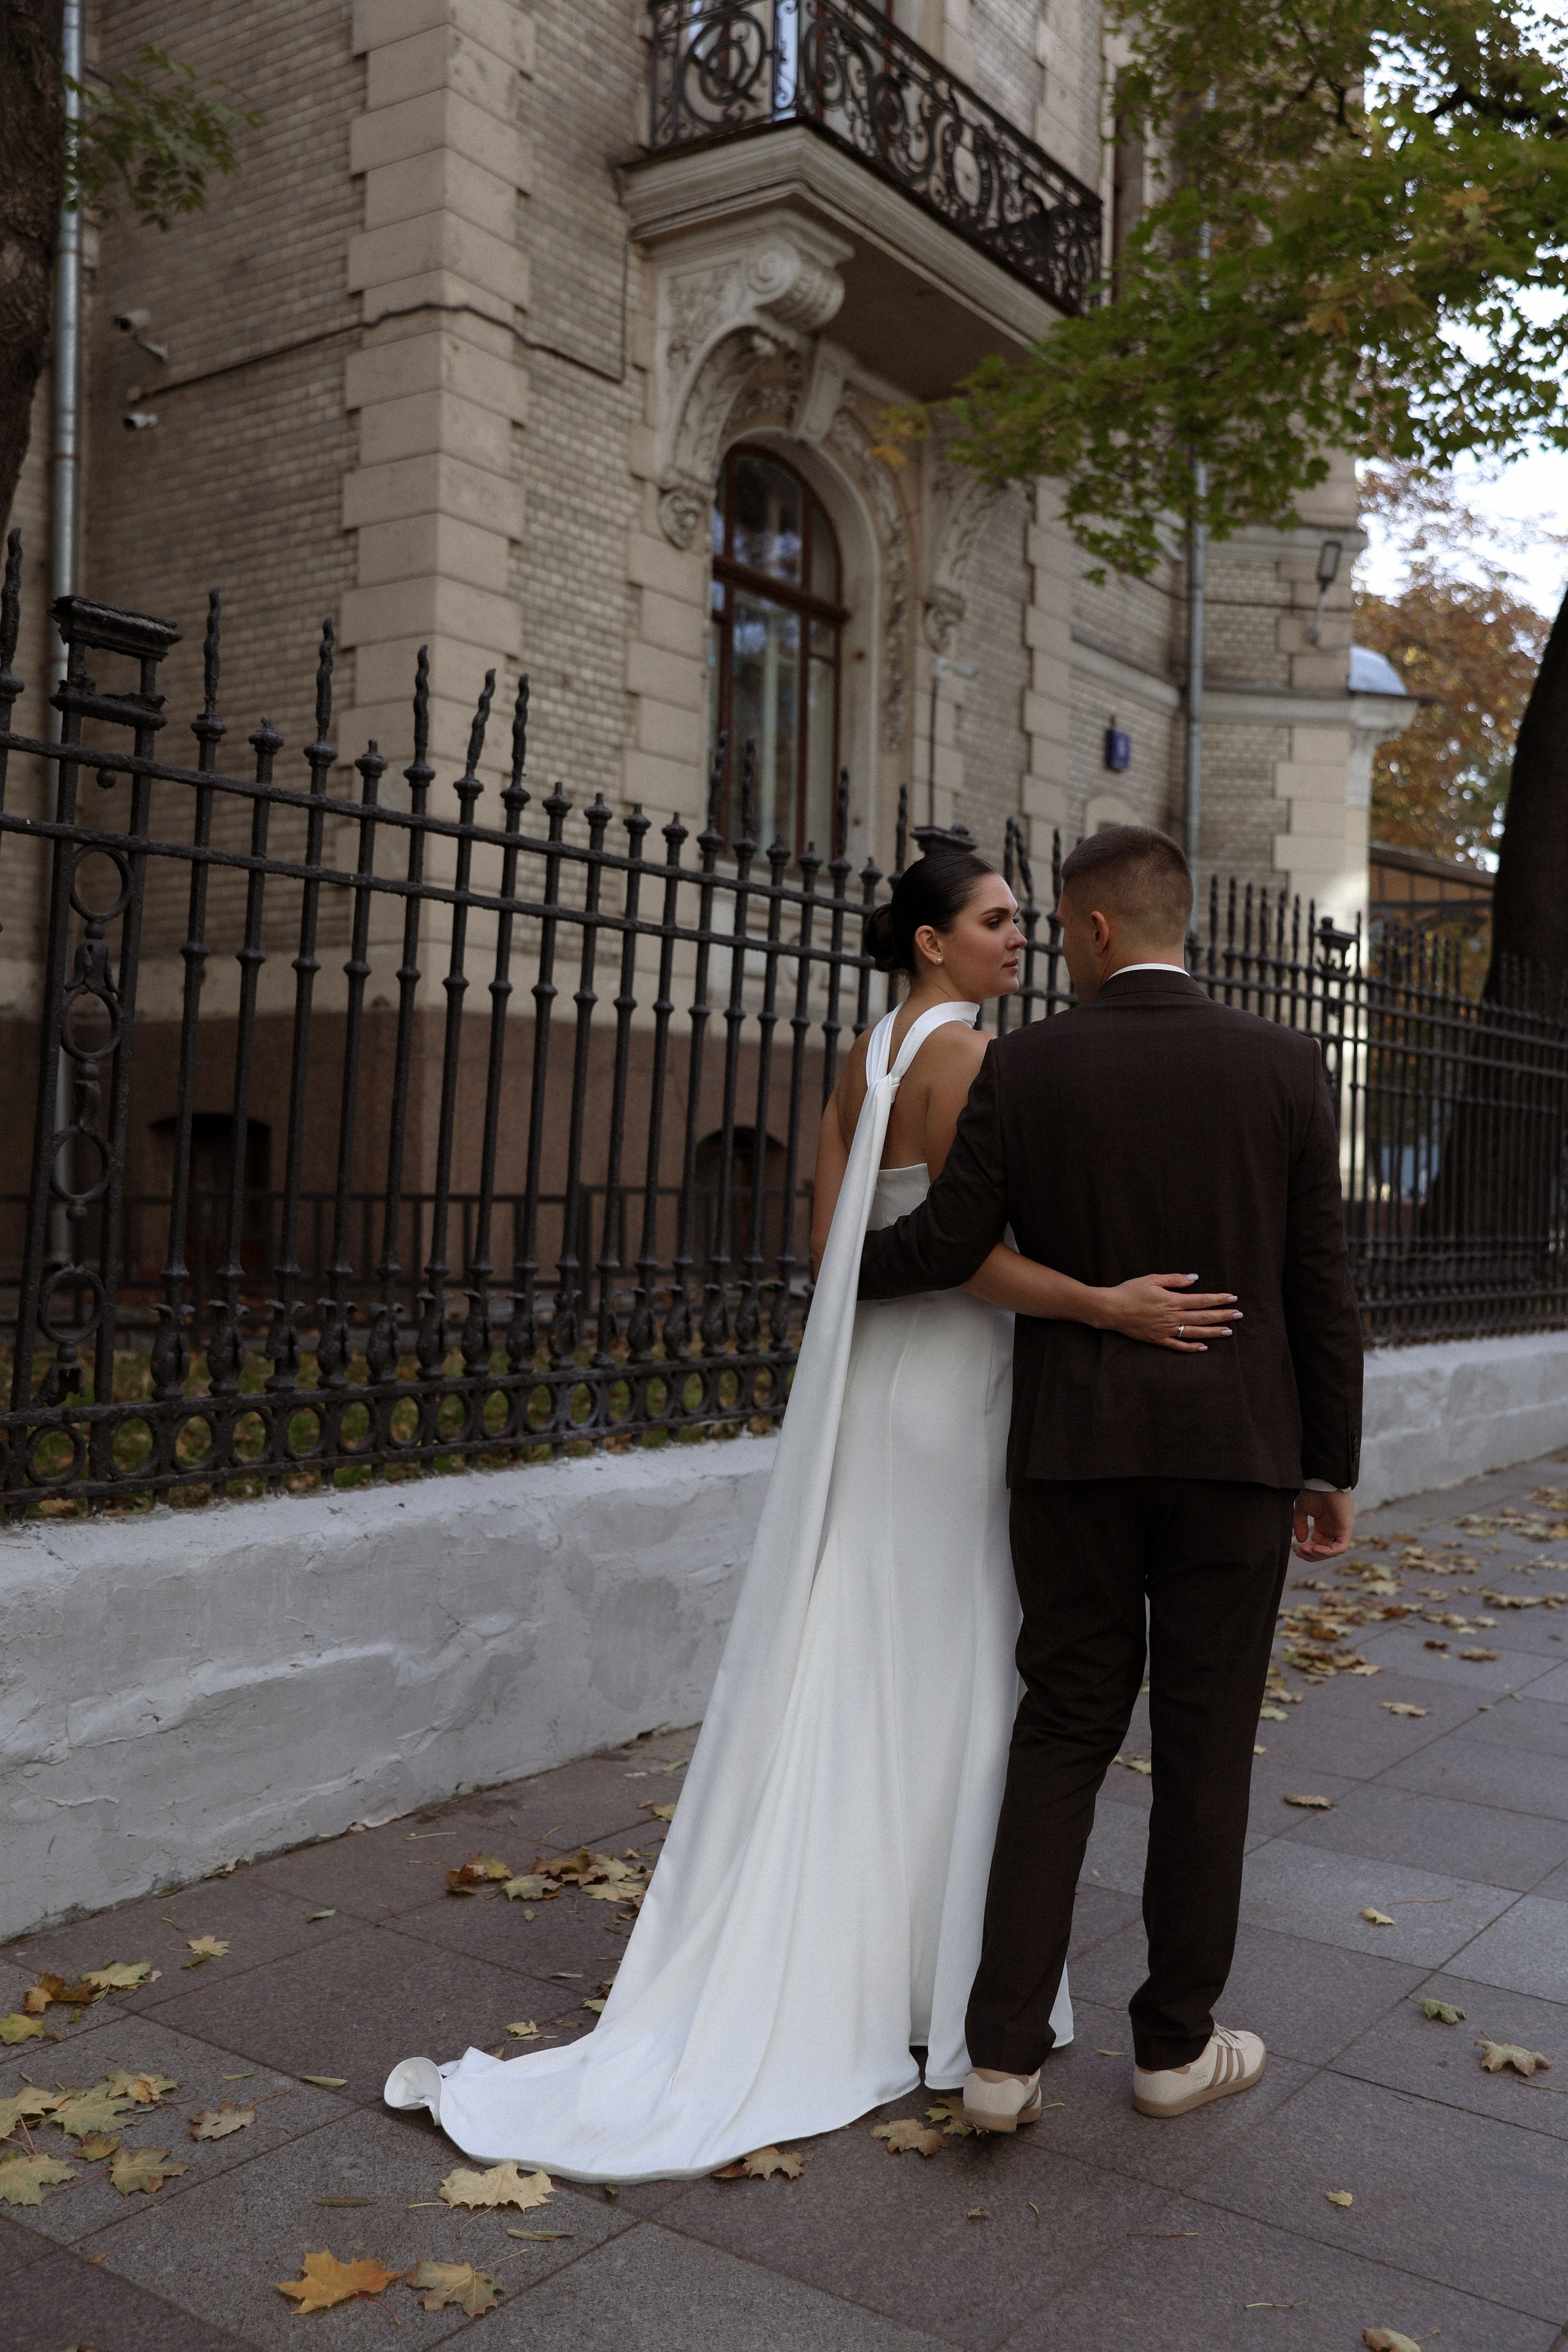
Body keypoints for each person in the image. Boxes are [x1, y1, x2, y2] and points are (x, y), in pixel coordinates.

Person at [383, 845, 1237, 2181]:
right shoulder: (969, 1063)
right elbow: (965, 1253)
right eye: (992, 922)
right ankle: (931, 1993)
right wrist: (1103, 1303)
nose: (1016, 940)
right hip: (958, 1393)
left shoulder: (862, 1057)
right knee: (957, 1674)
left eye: (1023, 921)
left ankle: (874, 1960)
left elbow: (840, 1245)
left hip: (874, 1384)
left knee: (863, 1651)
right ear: (929, 944)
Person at [858, 825, 1363, 2132]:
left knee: (1063, 1726)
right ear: (1173, 923)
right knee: (1202, 1748)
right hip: (1238, 1458)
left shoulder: (1024, 1065)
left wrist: (832, 1268)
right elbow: (1320, 1285)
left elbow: (950, 1245)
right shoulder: (1281, 1063)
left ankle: (1001, 2061)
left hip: (1071, 1453)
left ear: (1087, 930)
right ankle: (1170, 2049)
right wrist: (1329, 1465)